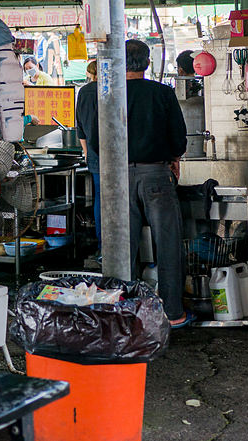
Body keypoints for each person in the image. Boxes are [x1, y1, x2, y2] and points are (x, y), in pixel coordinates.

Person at [76, 40, 190, 328]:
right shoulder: (162, 93)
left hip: (117, 178)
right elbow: (178, 137)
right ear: (147, 64)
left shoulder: (106, 95)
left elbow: (96, 139)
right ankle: (173, 314)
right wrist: (174, 157)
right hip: (157, 177)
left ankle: (122, 314)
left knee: (121, 250)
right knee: (168, 245)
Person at [75, 60, 101, 244]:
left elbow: (81, 128)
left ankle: (103, 247)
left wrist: (86, 152)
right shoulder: (117, 88)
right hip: (121, 157)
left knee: (101, 200)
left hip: (94, 155)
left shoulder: (84, 91)